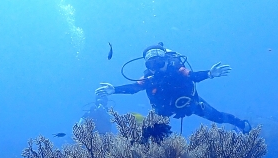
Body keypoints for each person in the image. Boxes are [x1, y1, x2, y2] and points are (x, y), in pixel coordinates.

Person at [97, 43, 250, 132]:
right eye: (151, 64)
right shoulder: (149, 78)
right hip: (163, 111)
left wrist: (210, 73)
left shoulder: (177, 68)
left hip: (191, 104)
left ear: (165, 60)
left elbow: (193, 76)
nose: (155, 67)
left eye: (159, 63)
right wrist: (114, 89)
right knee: (152, 133)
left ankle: (241, 124)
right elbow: (134, 87)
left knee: (217, 117)